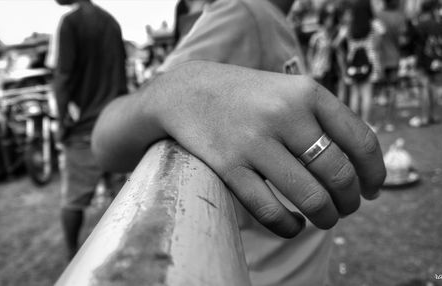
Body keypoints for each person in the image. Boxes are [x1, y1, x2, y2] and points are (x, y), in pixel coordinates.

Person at [92, 0, 386, 285]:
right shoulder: (242, 11)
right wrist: (179, 87)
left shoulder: (270, 16)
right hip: (259, 272)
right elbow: (105, 138)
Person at [53, 0, 127, 259]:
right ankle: (126, 247)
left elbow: (63, 76)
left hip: (85, 127)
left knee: (74, 199)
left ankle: (71, 254)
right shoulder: (111, 22)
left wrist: (62, 122)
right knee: (123, 194)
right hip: (116, 122)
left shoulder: (71, 23)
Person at [334, 0, 384, 131]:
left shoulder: (349, 25)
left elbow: (336, 43)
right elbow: (381, 36)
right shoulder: (373, 23)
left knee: (355, 94)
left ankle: (355, 126)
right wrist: (373, 47)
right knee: (367, 93)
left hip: (353, 63)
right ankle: (366, 123)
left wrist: (344, 57)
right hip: (369, 62)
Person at [409, 0, 442, 127]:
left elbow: (411, 41)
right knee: (434, 86)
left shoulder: (420, 25)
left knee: (424, 86)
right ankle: (434, 115)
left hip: (423, 59)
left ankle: (425, 117)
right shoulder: (438, 24)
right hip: (436, 59)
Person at [376, 0, 408, 132]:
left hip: (380, 57)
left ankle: (382, 119)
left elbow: (376, 36)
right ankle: (389, 120)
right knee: (393, 89)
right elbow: (402, 40)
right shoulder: (400, 17)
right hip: (394, 57)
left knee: (382, 90)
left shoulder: (379, 15)